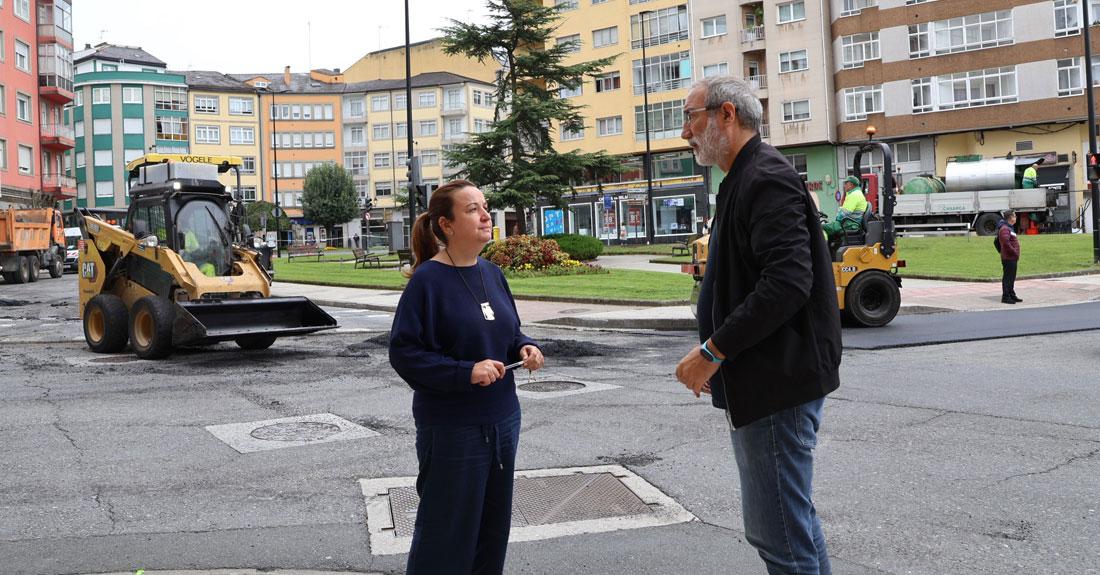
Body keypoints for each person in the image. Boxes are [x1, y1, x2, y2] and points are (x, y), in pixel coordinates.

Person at [675, 74, 842, 575]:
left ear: (727, 115)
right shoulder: (742, 179)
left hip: (776, 382)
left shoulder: (763, 177)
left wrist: (711, 352)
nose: (685, 132)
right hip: (764, 378)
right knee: (790, 525)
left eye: (691, 116)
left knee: (778, 535)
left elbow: (787, 284)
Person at [389, 179, 544, 575]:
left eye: (485, 206)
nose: (486, 214)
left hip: (503, 421)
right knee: (446, 536)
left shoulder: (492, 273)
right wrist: (465, 372)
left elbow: (508, 332)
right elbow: (404, 354)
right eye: (472, 208)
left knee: (492, 534)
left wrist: (524, 347)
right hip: (453, 429)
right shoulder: (427, 281)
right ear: (447, 224)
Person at [822, 175, 867, 240]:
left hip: (850, 224)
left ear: (851, 185)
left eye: (846, 184)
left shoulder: (854, 195)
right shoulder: (857, 194)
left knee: (822, 227)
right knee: (829, 226)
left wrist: (837, 219)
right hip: (850, 223)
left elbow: (845, 212)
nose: (844, 186)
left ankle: (823, 248)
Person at [998, 210, 1022, 304]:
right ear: (1010, 218)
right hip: (1009, 257)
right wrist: (1014, 251)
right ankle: (1006, 296)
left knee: (1012, 277)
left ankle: (1012, 294)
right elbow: (1005, 243)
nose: (1016, 218)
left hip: (1012, 257)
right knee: (1008, 277)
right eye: (1015, 216)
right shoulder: (1004, 228)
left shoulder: (1009, 227)